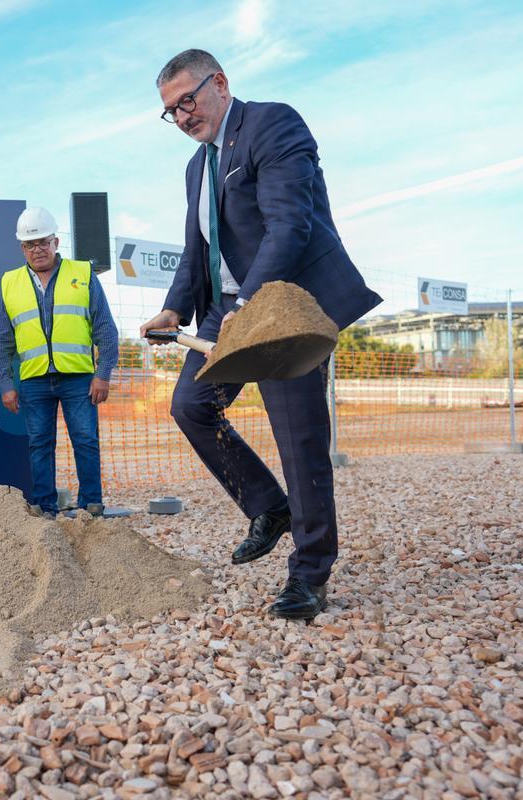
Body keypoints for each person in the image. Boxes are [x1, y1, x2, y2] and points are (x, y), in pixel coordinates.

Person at [140, 50, 382, 619]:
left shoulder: (271, 124)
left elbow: (288, 224)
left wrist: (249, 305)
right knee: (192, 406)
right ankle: (268, 507)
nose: (181, 116)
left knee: (299, 440)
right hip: (225, 310)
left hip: (279, 310)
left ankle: (310, 573)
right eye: (170, 111)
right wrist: (174, 310)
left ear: (219, 83)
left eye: (187, 101)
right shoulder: (196, 166)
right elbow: (196, 249)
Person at [0, 206, 119, 519]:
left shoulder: (82, 273)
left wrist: (102, 374)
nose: (37, 250)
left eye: (43, 242)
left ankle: (91, 506)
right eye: (30, 244)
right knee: (39, 445)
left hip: (78, 378)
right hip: (34, 380)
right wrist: (6, 385)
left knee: (86, 441)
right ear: (22, 248)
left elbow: (105, 329)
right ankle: (45, 508)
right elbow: (0, 340)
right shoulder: (10, 282)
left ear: (56, 242)